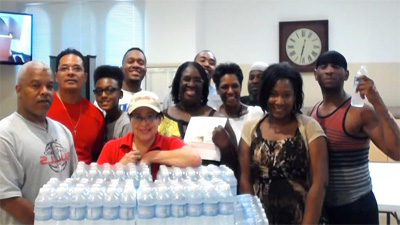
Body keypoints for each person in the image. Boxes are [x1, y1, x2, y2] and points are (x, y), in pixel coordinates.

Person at [309, 50, 400, 224]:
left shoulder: (361, 112)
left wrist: (376, 100)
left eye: (336, 66)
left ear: (346, 75)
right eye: (323, 66)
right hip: (324, 208)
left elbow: (397, 152)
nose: (329, 70)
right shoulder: (313, 112)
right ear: (315, 74)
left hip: (356, 207)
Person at [239, 63, 328, 224]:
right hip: (260, 219)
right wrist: (253, 220)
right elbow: (245, 179)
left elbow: (319, 183)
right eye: (273, 94)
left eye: (286, 95)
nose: (279, 101)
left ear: (295, 97)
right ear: (265, 95)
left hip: (301, 217)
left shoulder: (309, 127)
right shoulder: (251, 128)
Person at [0, 61, 78, 225]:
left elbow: (74, 182)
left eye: (50, 86)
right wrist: (49, 222)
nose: (45, 92)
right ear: (19, 90)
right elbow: (8, 199)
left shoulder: (63, 131)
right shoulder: (5, 134)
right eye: (36, 86)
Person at [158, 61, 239, 179]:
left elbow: (235, 168)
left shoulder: (219, 120)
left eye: (197, 80)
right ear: (177, 84)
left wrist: (225, 146)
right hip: (168, 191)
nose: (191, 84)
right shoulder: (161, 118)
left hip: (209, 192)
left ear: (204, 85)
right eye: (186, 79)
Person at [97, 91, 202, 179]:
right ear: (130, 119)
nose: (144, 123)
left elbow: (194, 158)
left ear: (160, 119)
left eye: (150, 116)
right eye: (138, 117)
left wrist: (151, 156)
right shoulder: (112, 147)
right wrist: (120, 167)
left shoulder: (169, 143)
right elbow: (97, 182)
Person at [47, 48, 104, 164]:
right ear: (56, 76)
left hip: (85, 179)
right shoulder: (43, 107)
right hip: (51, 177)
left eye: (77, 68)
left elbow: (96, 156)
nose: (70, 72)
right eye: (64, 68)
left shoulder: (96, 115)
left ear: (85, 77)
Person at [212, 62, 264, 144]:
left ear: (240, 87)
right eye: (225, 87)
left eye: (235, 86)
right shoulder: (212, 117)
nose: (230, 91)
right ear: (217, 90)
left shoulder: (256, 113)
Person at [93, 65, 131, 143]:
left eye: (109, 90)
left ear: (120, 94)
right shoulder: (101, 122)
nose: (103, 95)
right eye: (99, 91)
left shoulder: (127, 124)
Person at [118, 47, 147, 111]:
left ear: (145, 71)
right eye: (130, 61)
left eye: (141, 63)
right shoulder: (109, 99)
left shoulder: (150, 100)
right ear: (121, 69)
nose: (136, 65)